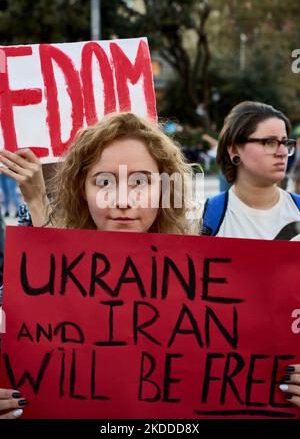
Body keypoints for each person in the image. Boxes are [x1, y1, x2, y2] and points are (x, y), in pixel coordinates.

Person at [0, 112, 200, 419]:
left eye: (140, 182)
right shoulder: (29, 282)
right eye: (104, 181)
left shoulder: (203, 282)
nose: (122, 200)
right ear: (82, 191)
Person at [201, 101, 300, 240]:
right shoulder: (204, 219)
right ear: (234, 150)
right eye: (270, 142)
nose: (282, 152)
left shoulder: (296, 210)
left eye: (285, 142)